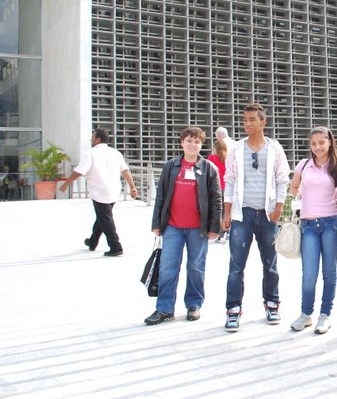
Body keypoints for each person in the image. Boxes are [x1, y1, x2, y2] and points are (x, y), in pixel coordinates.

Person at [222, 103, 290, 332]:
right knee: (236, 266)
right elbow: (229, 180)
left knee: (270, 264)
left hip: (267, 215)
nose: (247, 124)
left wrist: (278, 208)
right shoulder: (236, 149)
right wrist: (227, 213)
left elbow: (282, 179)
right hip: (242, 214)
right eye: (244, 120)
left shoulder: (274, 148)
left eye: (252, 119)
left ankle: (272, 304)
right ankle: (233, 310)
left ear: (263, 122)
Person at [144, 127, 222, 325]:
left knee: (196, 267)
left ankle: (194, 305)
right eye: (189, 140)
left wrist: (214, 227)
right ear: (182, 143)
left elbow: (216, 200)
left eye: (197, 141)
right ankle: (164, 308)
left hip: (198, 229)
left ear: (201, 145)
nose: (192, 145)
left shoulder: (209, 169)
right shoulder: (171, 166)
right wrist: (156, 223)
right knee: (168, 268)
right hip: (172, 227)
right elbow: (161, 196)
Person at [289, 126, 337, 335]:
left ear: (329, 142)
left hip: (331, 223)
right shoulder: (304, 165)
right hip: (309, 225)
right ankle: (306, 314)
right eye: (313, 143)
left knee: (329, 272)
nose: (317, 147)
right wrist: (301, 195)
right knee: (309, 273)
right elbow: (293, 187)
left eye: (321, 142)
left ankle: (325, 315)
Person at [59, 128, 138, 256]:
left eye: (92, 137)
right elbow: (125, 171)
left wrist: (65, 184)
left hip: (100, 192)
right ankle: (93, 241)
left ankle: (116, 247)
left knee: (106, 219)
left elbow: (79, 171)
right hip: (114, 191)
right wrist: (132, 187)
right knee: (103, 217)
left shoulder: (91, 154)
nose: (91, 140)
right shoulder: (115, 153)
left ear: (98, 139)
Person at [208, 139, 228, 243]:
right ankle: (225, 232)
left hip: (216, 188)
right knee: (226, 212)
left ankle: (217, 232)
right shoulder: (228, 158)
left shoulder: (212, 158)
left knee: (216, 211)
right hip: (227, 188)